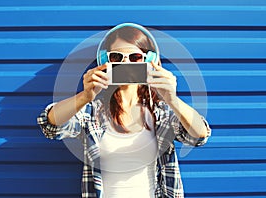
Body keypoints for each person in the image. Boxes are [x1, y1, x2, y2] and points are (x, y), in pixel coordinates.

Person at [37, 23, 211, 198]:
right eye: (117, 56)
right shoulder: (92, 113)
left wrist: (172, 99)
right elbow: (51, 125)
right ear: (106, 61)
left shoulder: (162, 113)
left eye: (135, 57)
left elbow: (198, 135)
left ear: (150, 61)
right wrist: (84, 96)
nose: (125, 63)